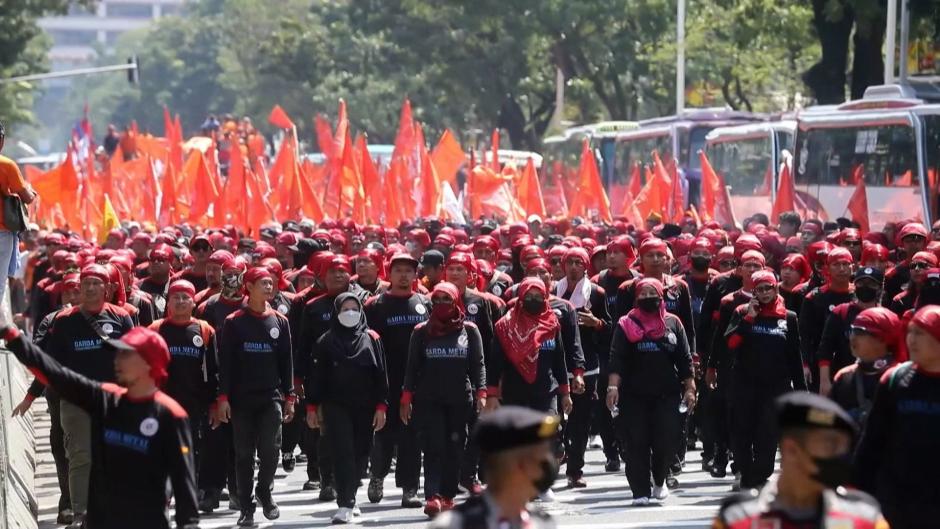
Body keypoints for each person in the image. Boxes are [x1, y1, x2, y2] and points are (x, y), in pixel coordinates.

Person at [3, 324, 200, 529]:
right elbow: (56, 374)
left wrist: (189, 524)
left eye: (125, 354)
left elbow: (183, 480)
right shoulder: (105, 398)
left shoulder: (171, 415)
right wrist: (12, 336)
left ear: (148, 363)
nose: (116, 359)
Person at [712, 392, 887, 529]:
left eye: (844, 449)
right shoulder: (738, 521)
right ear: (791, 451)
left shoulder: (864, 520)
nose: (840, 458)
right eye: (830, 447)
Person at [43, 264, 135, 527]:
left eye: (96, 283)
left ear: (107, 289)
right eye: (86, 284)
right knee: (81, 456)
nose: (91, 288)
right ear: (79, 288)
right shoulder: (64, 321)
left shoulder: (121, 317)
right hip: (76, 401)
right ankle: (80, 512)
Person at [216, 267, 295, 527]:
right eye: (263, 283)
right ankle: (247, 507)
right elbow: (225, 363)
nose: (270, 287)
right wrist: (224, 397)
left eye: (271, 283)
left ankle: (264, 490)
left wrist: (290, 396)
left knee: (271, 450)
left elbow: (286, 361)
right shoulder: (234, 321)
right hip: (241, 399)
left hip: (271, 396)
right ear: (248, 287)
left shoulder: (280, 322)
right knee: (244, 454)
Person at [607, 277, 695, 505]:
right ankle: (640, 491)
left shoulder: (673, 323)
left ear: (661, 296)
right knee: (636, 442)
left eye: (651, 294)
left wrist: (690, 388)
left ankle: (659, 479)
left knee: (665, 440)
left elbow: (685, 360)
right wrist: (613, 386)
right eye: (642, 295)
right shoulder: (625, 324)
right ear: (636, 298)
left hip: (667, 394)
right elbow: (617, 359)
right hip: (633, 396)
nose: (648, 298)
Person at [401, 281, 486, 517]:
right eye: (436, 301)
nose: (441, 305)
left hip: (460, 399)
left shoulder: (469, 330)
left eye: (446, 300)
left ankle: (448, 495)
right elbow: (412, 367)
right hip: (429, 399)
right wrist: (406, 397)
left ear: (456, 301)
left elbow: (478, 364)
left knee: (456, 447)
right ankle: (433, 496)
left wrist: (481, 392)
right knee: (434, 445)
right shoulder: (421, 331)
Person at [306, 293, 389, 524]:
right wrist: (312, 406)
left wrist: (382, 405)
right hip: (335, 406)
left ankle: (351, 495)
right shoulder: (325, 341)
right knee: (342, 452)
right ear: (336, 312)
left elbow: (381, 375)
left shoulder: (372, 339)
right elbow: (317, 377)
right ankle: (345, 503)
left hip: (365, 407)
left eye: (354, 308)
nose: (350, 313)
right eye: (345, 309)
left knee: (361, 453)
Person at [855, 305, 940, 528]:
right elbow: (871, 442)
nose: (911, 339)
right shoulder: (894, 379)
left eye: (920, 333)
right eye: (910, 331)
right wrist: (856, 491)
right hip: (896, 500)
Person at [720, 271, 806, 490]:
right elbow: (731, 344)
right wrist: (749, 318)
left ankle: (759, 474)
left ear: (775, 289)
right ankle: (746, 473)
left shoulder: (789, 317)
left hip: (776, 386)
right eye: (760, 289)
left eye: (769, 288)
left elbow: (794, 355)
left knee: (768, 433)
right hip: (744, 384)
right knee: (742, 431)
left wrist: (801, 390)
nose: (765, 293)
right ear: (754, 291)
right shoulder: (741, 312)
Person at [364, 253, 430, 507]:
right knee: (383, 435)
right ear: (389, 274)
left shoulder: (424, 303)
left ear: (415, 275)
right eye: (398, 270)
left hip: (416, 383)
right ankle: (377, 475)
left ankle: (409, 489)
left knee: (411, 438)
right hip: (385, 382)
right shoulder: (375, 305)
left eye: (408, 271)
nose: (404, 275)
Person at [429, 406, 559, 529]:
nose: (548, 467)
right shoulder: (455, 525)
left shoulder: (541, 523)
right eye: (542, 460)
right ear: (519, 467)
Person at [555, 246, 611, 487]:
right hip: (557, 365)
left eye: (579, 262)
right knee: (555, 419)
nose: (574, 266)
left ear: (586, 266)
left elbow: (611, 327)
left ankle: (575, 471)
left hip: (587, 366)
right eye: (570, 262)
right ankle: (558, 452)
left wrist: (596, 323)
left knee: (580, 421)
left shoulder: (596, 293)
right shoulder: (552, 293)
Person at [828, 307, 899, 429]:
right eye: (852, 331)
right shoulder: (844, 376)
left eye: (860, 332)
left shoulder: (900, 377)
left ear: (882, 338)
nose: (853, 338)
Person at [0, 120, 38, 313]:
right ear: (2, 141)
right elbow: (27, 197)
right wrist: (31, 191)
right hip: (2, 232)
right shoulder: (6, 165)